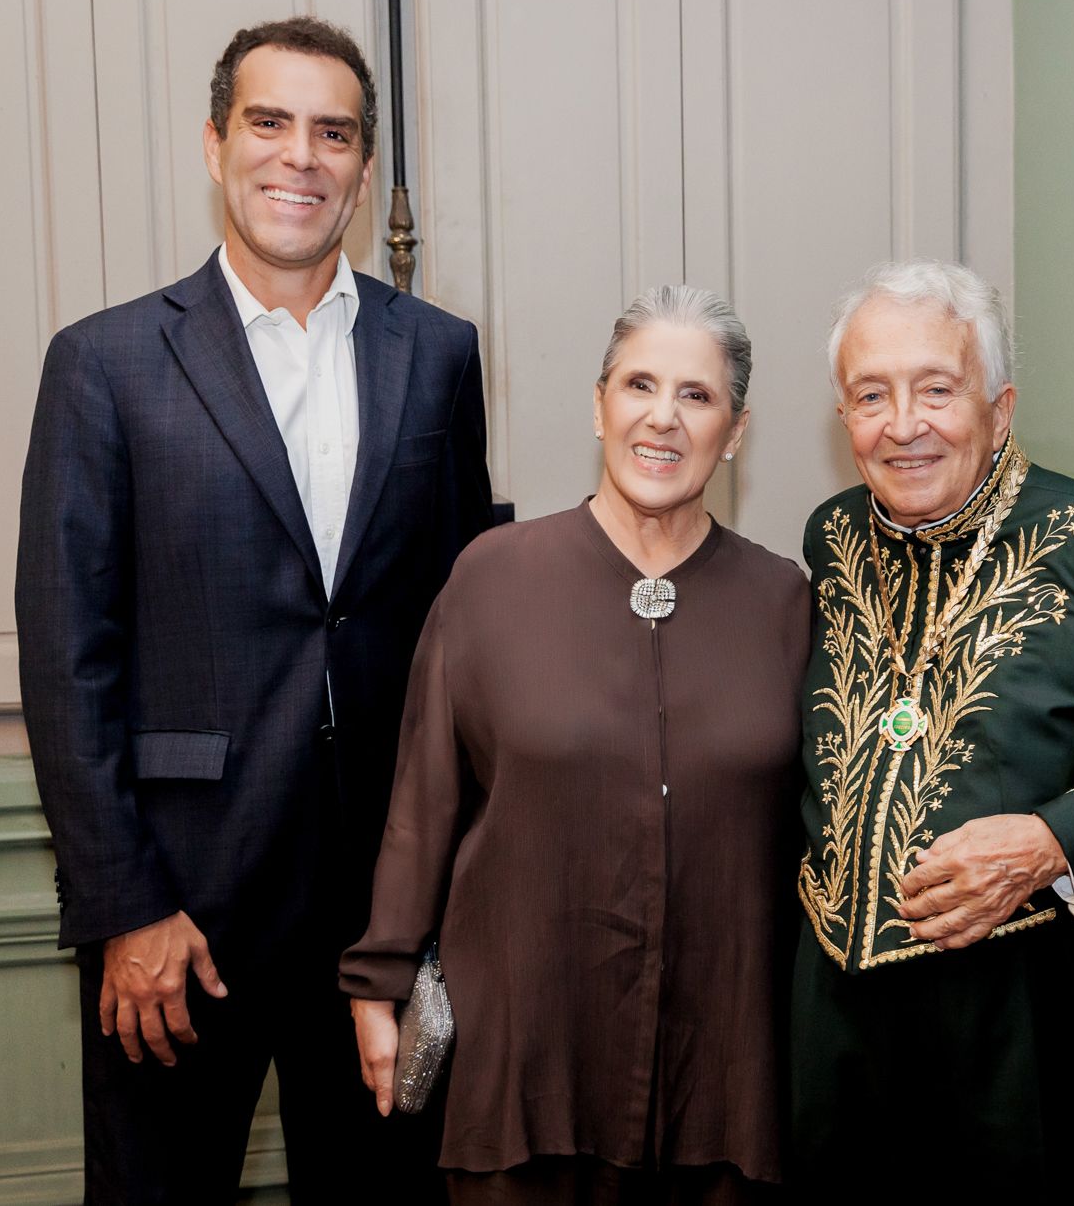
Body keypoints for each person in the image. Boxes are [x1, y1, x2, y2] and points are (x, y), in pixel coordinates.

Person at [15, 16, 492, 1203]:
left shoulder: (435, 354)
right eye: (270, 123)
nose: (302, 157)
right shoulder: (106, 363)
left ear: (364, 166)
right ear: (216, 142)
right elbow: (67, 657)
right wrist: (127, 907)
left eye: (333, 133)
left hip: (376, 913)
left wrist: (440, 898)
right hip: (182, 912)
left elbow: (460, 637)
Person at [788, 259, 1074, 1199]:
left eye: (936, 389)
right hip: (848, 1029)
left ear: (999, 408)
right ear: (845, 421)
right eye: (871, 394)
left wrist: (1051, 840)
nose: (904, 423)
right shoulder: (831, 539)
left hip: (1039, 1032)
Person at [341, 286, 808, 1204]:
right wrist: (377, 981)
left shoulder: (784, 601)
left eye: (698, 395)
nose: (662, 418)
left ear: (737, 430)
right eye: (639, 384)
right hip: (524, 1064)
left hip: (725, 1076)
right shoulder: (492, 577)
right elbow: (422, 802)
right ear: (599, 405)